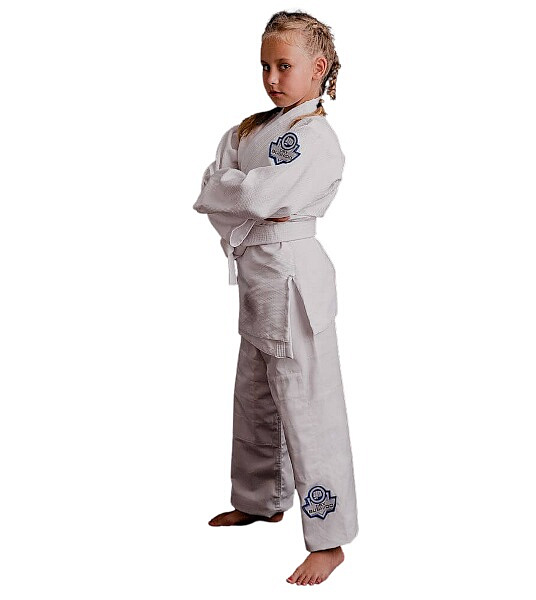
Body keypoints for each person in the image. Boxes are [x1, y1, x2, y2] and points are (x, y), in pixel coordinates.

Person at [193, 10, 358, 586]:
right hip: (256, 281)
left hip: (294, 280)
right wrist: (246, 195)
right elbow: (211, 190)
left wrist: (246, 193)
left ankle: (329, 539)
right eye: (264, 66)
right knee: (255, 399)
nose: (271, 78)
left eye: (284, 66)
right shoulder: (246, 131)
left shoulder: (316, 138)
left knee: (310, 409)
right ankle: (260, 500)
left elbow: (255, 197)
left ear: (318, 68)